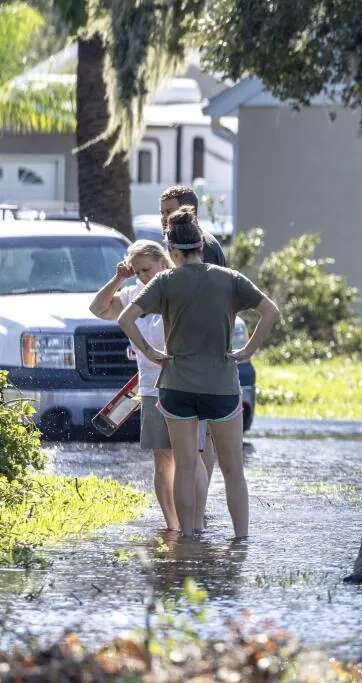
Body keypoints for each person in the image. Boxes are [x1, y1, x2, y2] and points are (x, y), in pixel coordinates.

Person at [118, 207, 278, 539]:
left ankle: (187, 538)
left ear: (173, 252)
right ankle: (241, 541)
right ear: (201, 247)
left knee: (186, 467)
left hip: (176, 386)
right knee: (234, 470)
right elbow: (269, 311)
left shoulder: (164, 281)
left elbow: (125, 319)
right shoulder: (229, 279)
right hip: (221, 386)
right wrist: (247, 351)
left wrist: (151, 353)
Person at [89, 240, 204, 532]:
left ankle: (197, 521)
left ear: (164, 262)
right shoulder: (130, 296)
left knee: (189, 456)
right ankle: (173, 525)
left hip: (184, 384)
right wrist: (118, 278)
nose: (142, 276)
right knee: (162, 457)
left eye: (147, 269)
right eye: (138, 271)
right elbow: (98, 308)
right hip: (151, 387)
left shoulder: (177, 289)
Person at [159, 184, 225, 519]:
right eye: (161, 213)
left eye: (168, 213)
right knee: (201, 437)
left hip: (199, 356)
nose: (163, 220)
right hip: (201, 355)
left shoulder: (203, 249)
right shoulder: (193, 245)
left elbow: (205, 303)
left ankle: (197, 506)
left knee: (202, 440)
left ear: (189, 212)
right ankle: (196, 504)